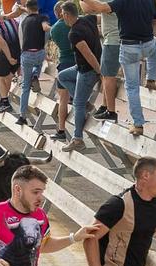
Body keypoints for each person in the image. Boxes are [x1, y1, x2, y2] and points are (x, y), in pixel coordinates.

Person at [80, 0, 156, 136]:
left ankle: (138, 124)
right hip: (148, 44)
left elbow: (99, 7)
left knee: (132, 87)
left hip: (129, 48)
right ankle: (151, 78)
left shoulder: (121, 2)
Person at [54, 1, 100, 153]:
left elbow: (88, 54)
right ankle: (85, 102)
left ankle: (77, 138)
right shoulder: (88, 19)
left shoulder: (74, 33)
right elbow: (99, 17)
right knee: (62, 76)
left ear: (67, 15)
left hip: (87, 70)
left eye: (63, 15)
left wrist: (99, 71)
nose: (62, 18)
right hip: (79, 67)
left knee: (77, 105)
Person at [14, 0, 50, 126]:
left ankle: (22, 116)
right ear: (38, 8)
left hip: (26, 54)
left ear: (27, 9)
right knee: (40, 62)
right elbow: (46, 29)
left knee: (25, 87)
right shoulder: (43, 17)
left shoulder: (24, 21)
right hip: (39, 53)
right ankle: (36, 74)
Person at [47, 1, 74, 141]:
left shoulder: (54, 29)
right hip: (77, 61)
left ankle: (61, 129)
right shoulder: (76, 23)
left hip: (64, 62)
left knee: (62, 99)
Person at [91, 0, 119, 123]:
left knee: (108, 76)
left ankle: (111, 111)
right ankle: (104, 105)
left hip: (113, 40)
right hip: (113, 39)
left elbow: (89, 8)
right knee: (105, 74)